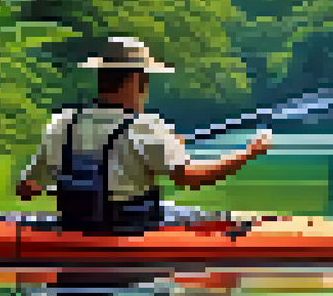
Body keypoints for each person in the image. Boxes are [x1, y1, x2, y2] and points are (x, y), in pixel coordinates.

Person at [15, 36, 272, 234]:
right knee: (215, 220)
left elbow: (26, 190)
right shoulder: (147, 126)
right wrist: (249, 153)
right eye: (146, 78)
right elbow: (191, 179)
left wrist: (70, 187)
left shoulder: (63, 122)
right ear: (136, 80)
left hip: (76, 224)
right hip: (131, 227)